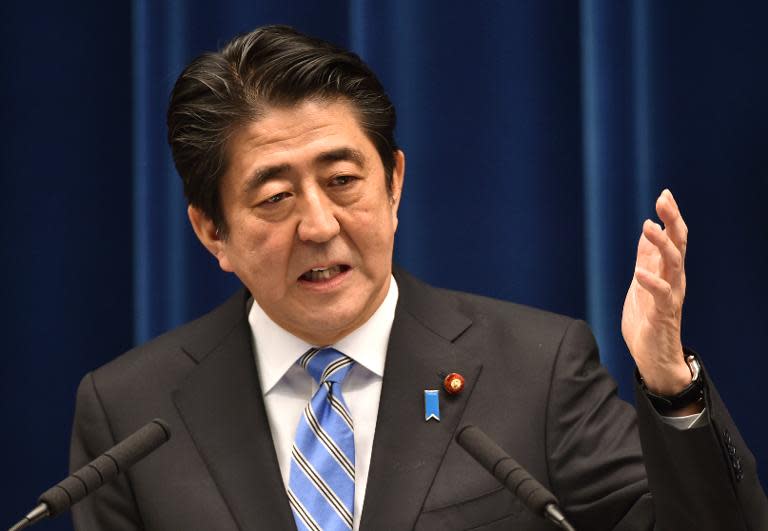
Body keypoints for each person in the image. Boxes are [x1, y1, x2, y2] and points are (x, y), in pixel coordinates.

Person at [69, 25, 767, 530]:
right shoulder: (130, 414)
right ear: (211, 230)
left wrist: (671, 384)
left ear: (394, 184)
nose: (319, 224)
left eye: (343, 181)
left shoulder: (535, 370)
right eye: (275, 198)